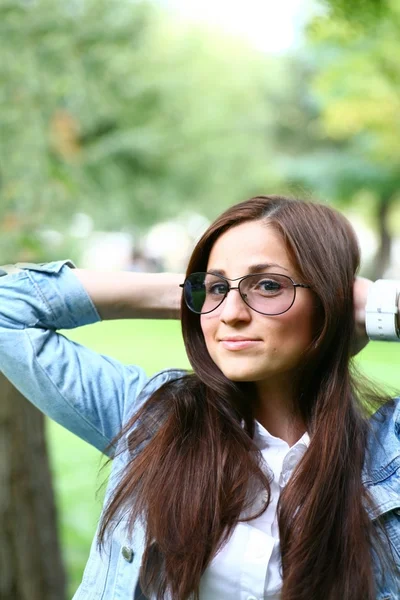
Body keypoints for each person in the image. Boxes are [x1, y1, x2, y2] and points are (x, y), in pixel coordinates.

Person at [0, 195, 399, 600]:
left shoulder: (388, 453)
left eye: (267, 285)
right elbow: (7, 310)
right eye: (215, 288)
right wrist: (186, 295)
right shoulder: (152, 419)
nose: (230, 314)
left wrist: (383, 306)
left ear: (332, 298)